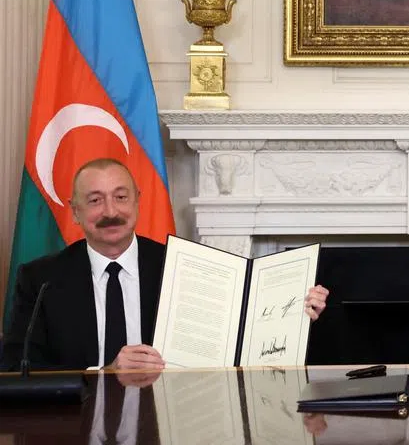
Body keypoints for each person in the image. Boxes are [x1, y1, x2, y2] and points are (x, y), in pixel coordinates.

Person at [1, 157, 330, 371]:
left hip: (171, 424)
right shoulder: (41, 279)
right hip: (76, 428)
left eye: (121, 196)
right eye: (95, 200)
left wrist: (294, 312)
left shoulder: (185, 266)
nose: (111, 211)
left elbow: (239, 341)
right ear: (75, 211)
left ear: (138, 202)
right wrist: (104, 374)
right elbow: (18, 368)